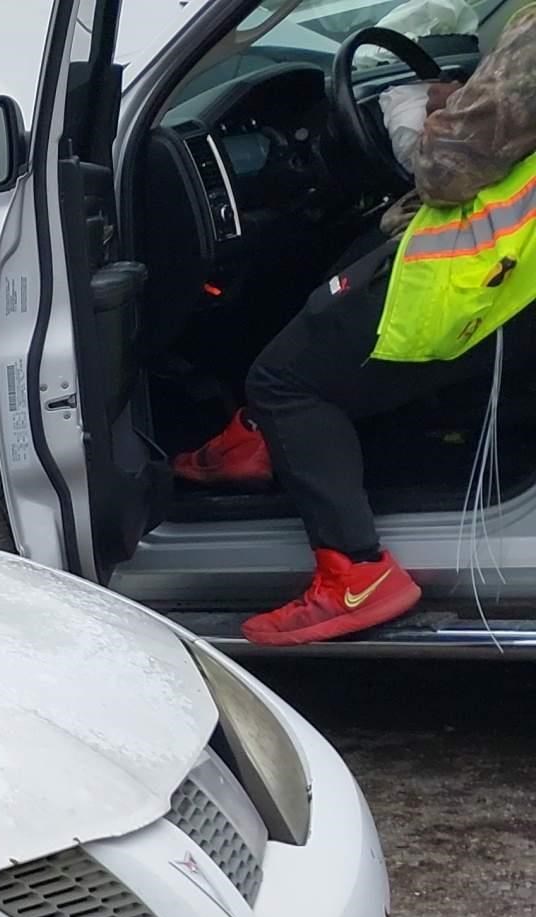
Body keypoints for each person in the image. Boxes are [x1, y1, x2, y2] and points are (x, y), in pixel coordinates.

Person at [174, 7, 536, 644]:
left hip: (498, 272)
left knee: (285, 381)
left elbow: (444, 168)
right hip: (517, 266)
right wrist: (466, 100)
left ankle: (357, 576)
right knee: (346, 266)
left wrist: (405, 107)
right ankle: (260, 440)